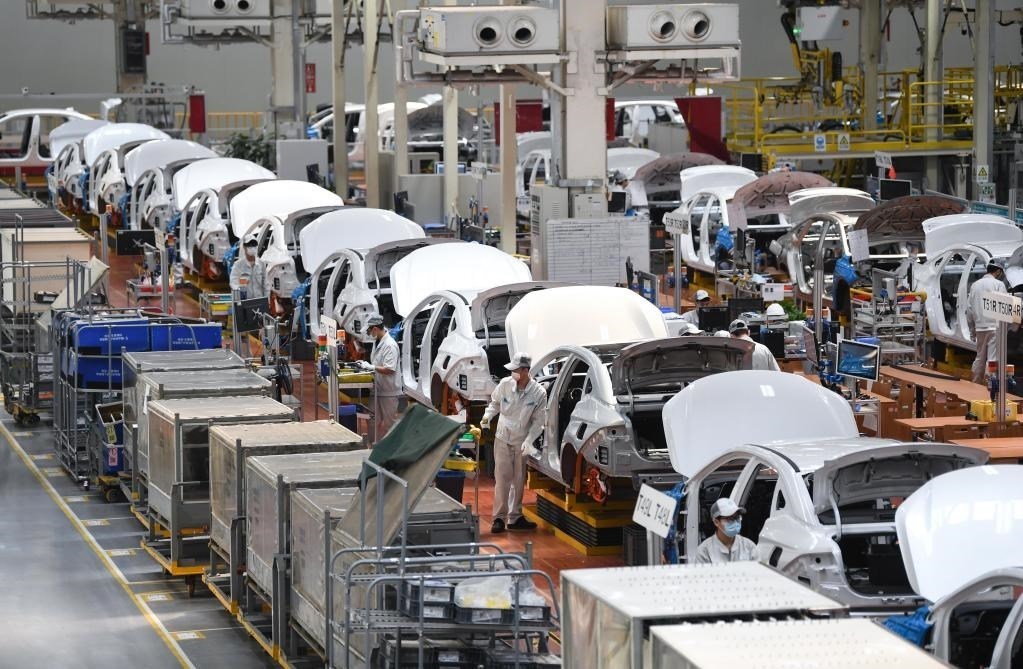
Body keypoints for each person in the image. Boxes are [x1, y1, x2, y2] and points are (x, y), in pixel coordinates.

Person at [481, 352, 547, 534]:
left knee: (518, 480)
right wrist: (486, 418)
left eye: (516, 370)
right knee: (502, 479)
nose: (513, 373)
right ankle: (499, 518)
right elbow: (494, 403)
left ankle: (514, 517)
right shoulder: (505, 384)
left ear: (525, 370)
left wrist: (529, 441)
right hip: (503, 438)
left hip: (521, 441)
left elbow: (539, 421)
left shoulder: (538, 393)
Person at [967, 259, 1009, 384]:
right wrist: (1009, 327)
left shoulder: (975, 285)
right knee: (992, 358)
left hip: (980, 327)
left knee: (980, 357)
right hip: (995, 327)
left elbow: (969, 310)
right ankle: (990, 385)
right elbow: (1005, 308)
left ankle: (975, 383)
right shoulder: (999, 285)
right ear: (998, 271)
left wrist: (972, 331)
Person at [360, 313, 402, 439]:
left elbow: (390, 369)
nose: (368, 334)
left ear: (375, 329)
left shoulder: (390, 345)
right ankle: (372, 445)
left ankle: (392, 448)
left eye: (368, 331)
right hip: (377, 389)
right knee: (372, 419)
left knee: (390, 424)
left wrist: (372, 367)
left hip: (389, 391)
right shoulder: (376, 342)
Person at [694, 498, 759, 564]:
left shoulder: (749, 547)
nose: (735, 522)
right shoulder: (704, 551)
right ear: (716, 522)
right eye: (729, 519)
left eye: (737, 517)